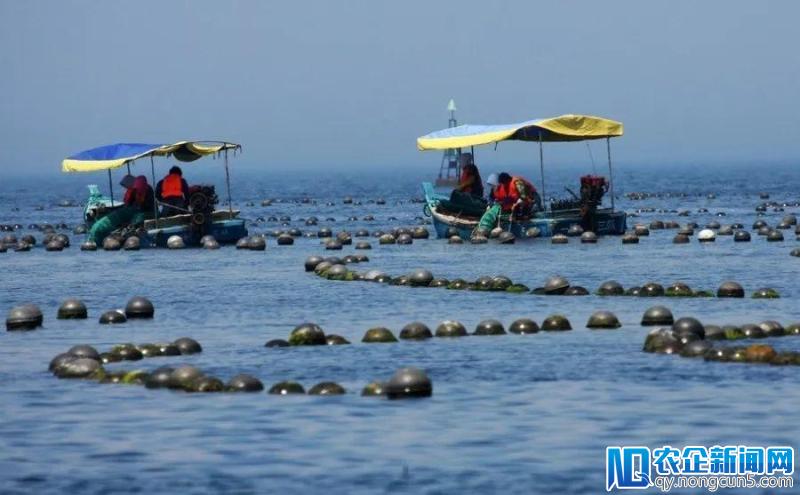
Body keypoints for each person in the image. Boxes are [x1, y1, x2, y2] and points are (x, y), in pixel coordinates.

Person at [87, 175, 155, 243]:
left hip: (144, 212)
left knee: (137, 218)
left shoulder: (146, 191)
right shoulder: (135, 190)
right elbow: (129, 203)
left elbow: (147, 205)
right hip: (134, 211)